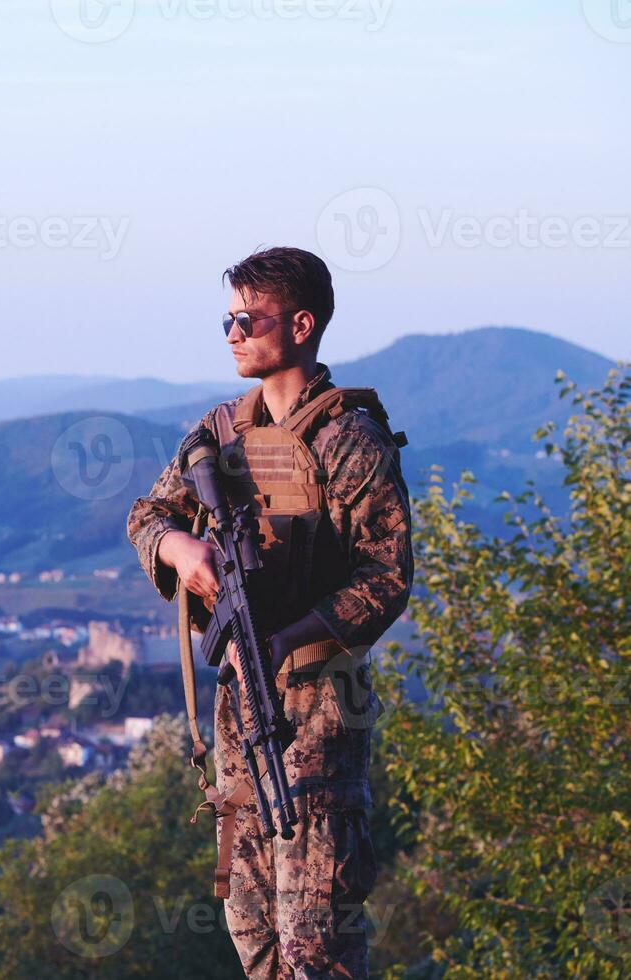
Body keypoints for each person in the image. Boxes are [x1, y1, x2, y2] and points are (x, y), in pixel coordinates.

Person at [127, 246, 413, 978]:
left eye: (247, 319)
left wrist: (293, 634)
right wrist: (180, 550)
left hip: (320, 712)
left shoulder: (350, 440)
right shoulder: (220, 435)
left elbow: (386, 575)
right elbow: (149, 514)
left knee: (316, 938)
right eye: (227, 318)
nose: (231, 332)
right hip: (238, 715)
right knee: (252, 929)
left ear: (300, 324)